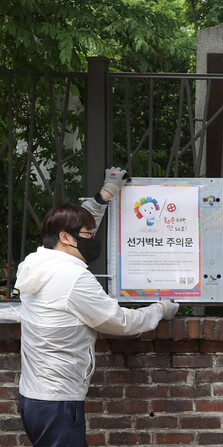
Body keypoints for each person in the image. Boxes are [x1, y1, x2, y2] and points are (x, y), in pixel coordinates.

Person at [16, 167, 180, 446]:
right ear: (66, 238)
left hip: (33, 396)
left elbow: (76, 226)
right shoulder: (73, 278)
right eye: (88, 234)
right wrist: (159, 310)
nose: (93, 239)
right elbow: (120, 322)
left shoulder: (34, 264)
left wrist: (104, 197)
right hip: (58, 401)